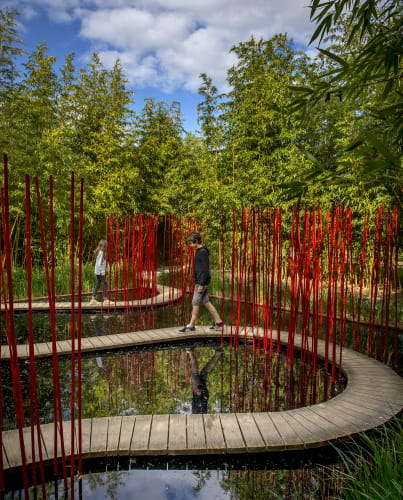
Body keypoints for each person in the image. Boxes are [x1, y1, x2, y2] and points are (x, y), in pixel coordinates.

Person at [179, 231, 223, 332]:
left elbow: (204, 270)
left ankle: (191, 325)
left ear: (196, 241)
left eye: (191, 243)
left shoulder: (202, 252)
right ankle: (219, 322)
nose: (190, 245)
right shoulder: (200, 251)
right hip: (201, 282)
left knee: (195, 302)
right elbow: (201, 267)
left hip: (201, 283)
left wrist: (201, 284)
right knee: (206, 302)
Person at [186, 346, 224, 414]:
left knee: (204, 372)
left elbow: (203, 404)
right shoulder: (197, 416)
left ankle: (218, 353)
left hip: (202, 393)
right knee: (195, 374)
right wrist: (199, 394)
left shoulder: (201, 416)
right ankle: (191, 352)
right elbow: (200, 404)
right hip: (199, 392)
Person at [89, 239, 110, 305]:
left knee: (98, 285)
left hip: (97, 272)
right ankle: (105, 299)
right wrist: (103, 272)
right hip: (100, 272)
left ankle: (93, 299)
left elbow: (99, 264)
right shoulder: (101, 253)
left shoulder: (99, 252)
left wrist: (104, 270)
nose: (106, 248)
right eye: (106, 246)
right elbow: (99, 264)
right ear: (104, 246)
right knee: (105, 284)